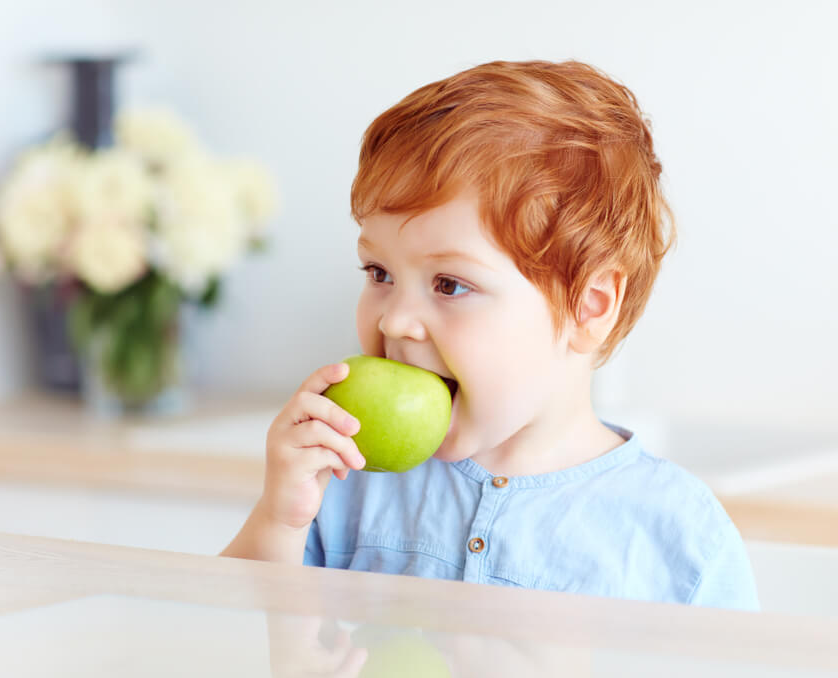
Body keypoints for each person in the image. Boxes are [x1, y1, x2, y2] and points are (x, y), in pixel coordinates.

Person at [221, 60, 759, 611]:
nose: (394, 322)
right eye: (379, 273)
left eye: (449, 284)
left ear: (588, 307)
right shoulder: (344, 481)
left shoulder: (679, 537)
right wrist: (278, 522)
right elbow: (221, 641)